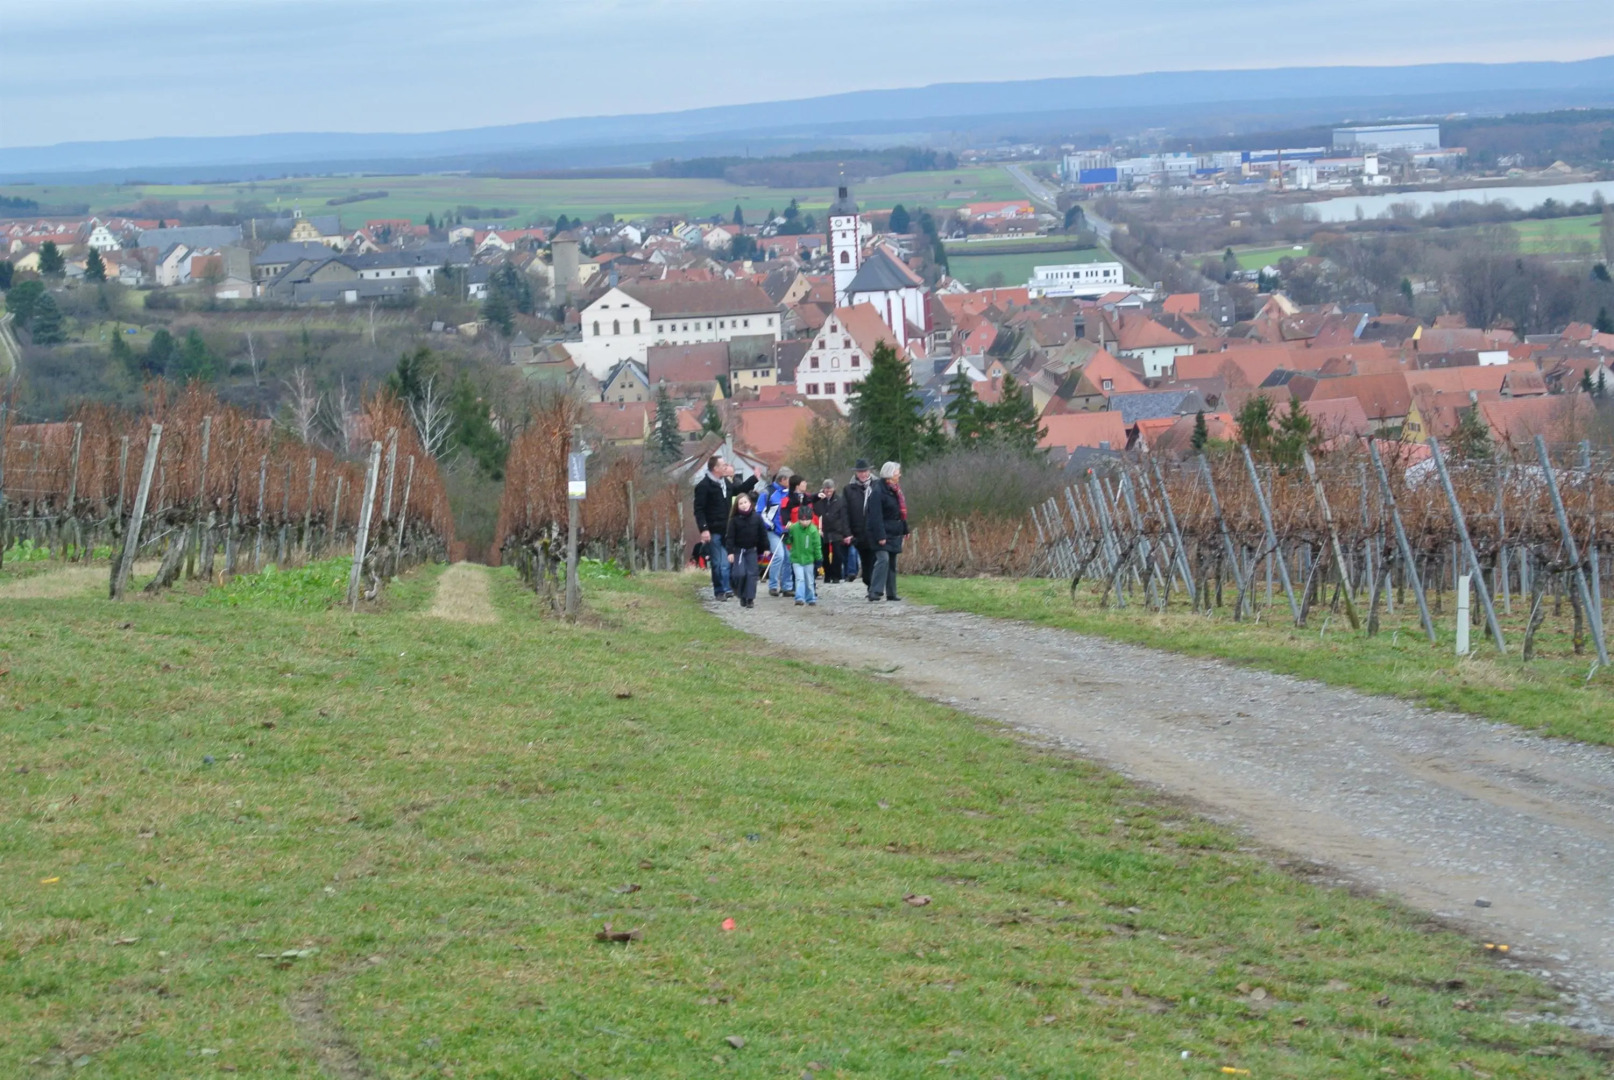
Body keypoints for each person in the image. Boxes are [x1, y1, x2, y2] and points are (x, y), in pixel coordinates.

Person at [693, 456, 758, 601]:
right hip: (713, 529)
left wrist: (753, 478)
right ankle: (720, 590)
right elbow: (699, 509)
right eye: (723, 465)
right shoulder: (704, 486)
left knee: (729, 560)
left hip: (728, 529)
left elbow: (739, 490)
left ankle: (728, 588)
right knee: (718, 562)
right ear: (715, 468)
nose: (726, 466)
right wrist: (703, 529)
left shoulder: (725, 483)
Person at [845, 458, 890, 602]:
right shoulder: (849, 489)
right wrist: (847, 532)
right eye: (860, 472)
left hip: (875, 530)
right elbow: (845, 512)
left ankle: (875, 589)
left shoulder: (878, 486)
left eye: (865, 471)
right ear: (856, 473)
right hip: (859, 532)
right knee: (865, 564)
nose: (863, 474)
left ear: (869, 471)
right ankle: (870, 585)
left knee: (877, 559)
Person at [723, 491, 768, 608]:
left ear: (750, 503)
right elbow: (730, 537)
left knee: (751, 575)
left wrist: (766, 548)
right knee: (739, 574)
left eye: (745, 502)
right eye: (740, 503)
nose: (743, 505)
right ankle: (741, 594)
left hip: (752, 550)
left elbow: (763, 534)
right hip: (739, 551)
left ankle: (750, 598)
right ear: (737, 506)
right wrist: (730, 552)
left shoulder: (757, 518)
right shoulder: (734, 520)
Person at [761, 467, 796, 598]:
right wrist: (772, 526)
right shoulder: (767, 492)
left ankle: (787, 586)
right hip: (771, 530)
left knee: (788, 557)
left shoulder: (789, 493)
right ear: (783, 480)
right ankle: (773, 585)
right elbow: (761, 513)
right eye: (790, 480)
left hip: (786, 531)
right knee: (779, 555)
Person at [878, 461, 909, 601]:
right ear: (890, 474)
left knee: (892, 563)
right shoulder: (880, 490)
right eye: (897, 472)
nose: (900, 475)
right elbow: (876, 515)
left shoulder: (897, 491)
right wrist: (880, 534)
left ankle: (891, 593)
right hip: (884, 531)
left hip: (895, 530)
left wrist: (905, 529)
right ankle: (875, 590)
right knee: (883, 561)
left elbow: (900, 513)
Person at [783, 497, 822, 606]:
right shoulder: (794, 528)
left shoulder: (814, 530)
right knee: (799, 579)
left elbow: (817, 546)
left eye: (807, 520)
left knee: (809, 580)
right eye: (802, 520)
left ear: (811, 519)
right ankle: (799, 597)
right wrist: (786, 536)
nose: (804, 522)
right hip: (796, 558)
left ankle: (810, 598)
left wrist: (819, 558)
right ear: (799, 519)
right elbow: (789, 541)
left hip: (809, 559)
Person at [816, 478, 850, 583]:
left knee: (837, 554)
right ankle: (827, 575)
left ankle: (836, 575)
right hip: (824, 530)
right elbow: (816, 513)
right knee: (824, 554)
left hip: (837, 530)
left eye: (830, 489)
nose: (828, 492)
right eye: (826, 489)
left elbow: (844, 517)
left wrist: (846, 533)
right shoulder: (819, 500)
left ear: (834, 489)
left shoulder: (839, 500)